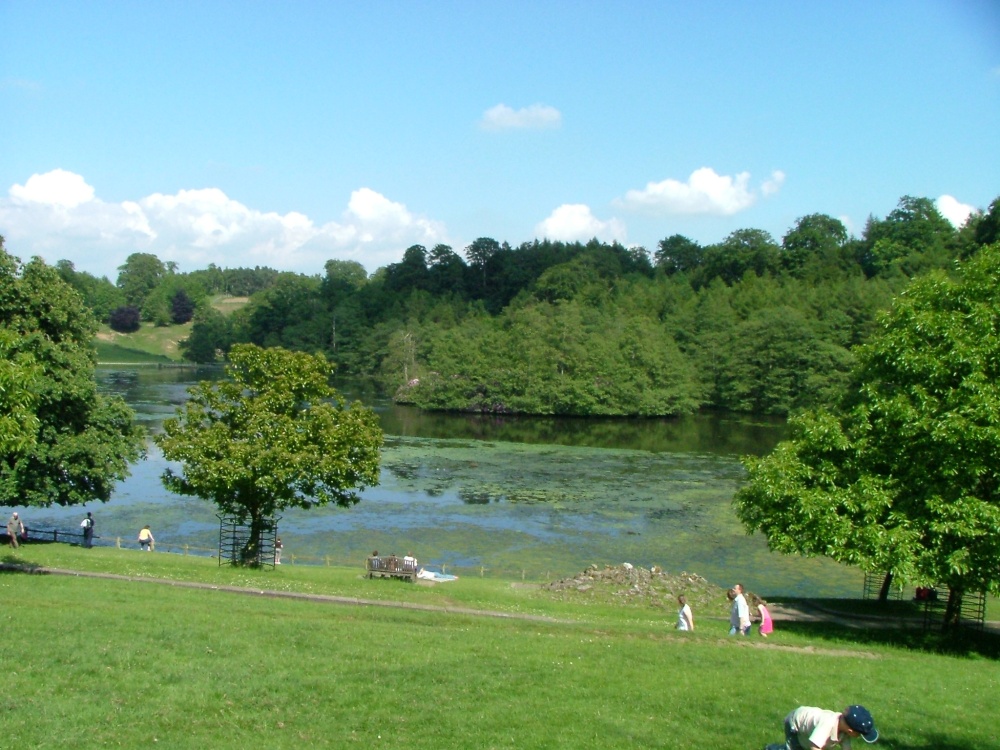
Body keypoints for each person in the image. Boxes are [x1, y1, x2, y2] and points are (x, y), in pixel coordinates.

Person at [766, 705, 879, 749]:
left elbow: (847, 748)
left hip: (810, 730)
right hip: (795, 723)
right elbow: (814, 746)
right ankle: (773, 748)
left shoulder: (845, 730)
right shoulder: (827, 723)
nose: (858, 736)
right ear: (851, 731)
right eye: (859, 734)